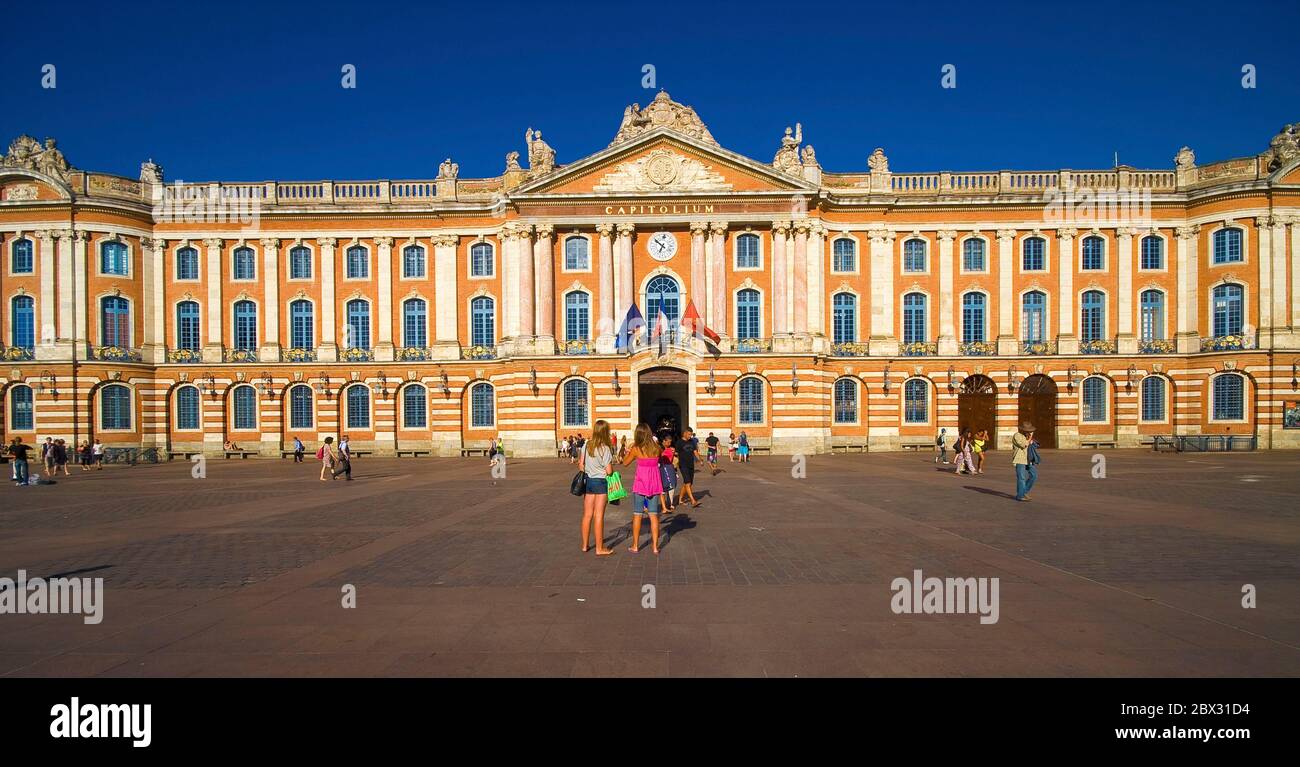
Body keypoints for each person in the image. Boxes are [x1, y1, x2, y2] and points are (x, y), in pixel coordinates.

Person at [620, 423, 664, 555]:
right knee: (653, 515)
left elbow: (625, 463)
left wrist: (626, 451)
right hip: (654, 483)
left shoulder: (636, 449)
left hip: (640, 484)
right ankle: (655, 547)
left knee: (637, 514)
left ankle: (635, 545)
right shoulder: (657, 448)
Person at [578, 419, 615, 556]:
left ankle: (584, 545)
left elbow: (581, 464)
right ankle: (600, 548)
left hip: (589, 482)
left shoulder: (587, 445)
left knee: (587, 514)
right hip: (601, 482)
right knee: (598, 515)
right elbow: (609, 471)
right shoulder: (605, 448)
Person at [677, 427, 704, 507]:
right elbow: (676, 454)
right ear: (684, 433)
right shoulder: (679, 442)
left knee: (688, 483)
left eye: (691, 435)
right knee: (688, 482)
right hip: (683, 465)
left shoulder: (692, 441)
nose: (690, 436)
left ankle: (680, 499)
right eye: (689, 434)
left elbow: (695, 452)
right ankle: (693, 501)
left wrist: (700, 460)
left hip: (691, 465)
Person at [1012, 421, 1038, 502]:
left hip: (1029, 459)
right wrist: (1030, 438)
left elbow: (1034, 445)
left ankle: (1023, 492)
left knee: (1034, 475)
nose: (1029, 432)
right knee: (1022, 478)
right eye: (1028, 430)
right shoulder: (1017, 435)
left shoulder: (1027, 436)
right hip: (1020, 459)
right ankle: (1020, 495)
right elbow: (1024, 445)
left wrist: (1032, 441)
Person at [658, 434, 678, 513]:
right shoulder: (658, 448)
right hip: (661, 468)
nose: (669, 444)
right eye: (668, 442)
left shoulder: (672, 449)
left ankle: (670, 503)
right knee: (662, 485)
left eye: (670, 442)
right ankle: (664, 505)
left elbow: (672, 459)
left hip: (670, 467)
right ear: (663, 441)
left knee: (672, 485)